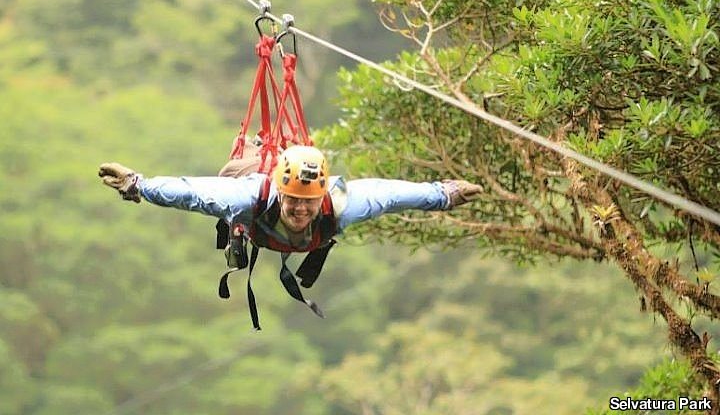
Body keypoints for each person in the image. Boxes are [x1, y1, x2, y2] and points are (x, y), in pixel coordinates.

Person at [98, 145, 483, 328]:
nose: (302, 210)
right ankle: (251, 148)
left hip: (281, 231)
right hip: (250, 199)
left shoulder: (341, 204)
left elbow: (390, 195)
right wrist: (137, 185)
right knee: (220, 186)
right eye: (293, 201)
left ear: (321, 196)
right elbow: (191, 193)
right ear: (280, 194)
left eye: (309, 202)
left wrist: (444, 194)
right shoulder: (248, 198)